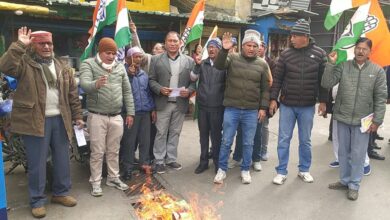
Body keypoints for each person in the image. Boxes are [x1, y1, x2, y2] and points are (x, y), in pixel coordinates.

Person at [0, 27, 83, 218]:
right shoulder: (24, 64)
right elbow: (5, 66)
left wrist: (78, 116)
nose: (46, 47)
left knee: (63, 159)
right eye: (41, 43)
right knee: (37, 163)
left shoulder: (62, 65)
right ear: (33, 45)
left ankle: (61, 193)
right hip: (34, 121)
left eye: (49, 43)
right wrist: (20, 44)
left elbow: (72, 94)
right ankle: (37, 200)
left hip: (60, 119)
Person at [322, 37, 387, 200]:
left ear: (369, 52)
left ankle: (354, 185)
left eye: (364, 49)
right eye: (358, 48)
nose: (360, 51)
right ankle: (344, 180)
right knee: (342, 152)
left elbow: (380, 97)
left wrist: (377, 121)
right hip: (342, 116)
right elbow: (326, 82)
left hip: (363, 121)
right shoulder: (343, 66)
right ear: (354, 49)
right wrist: (330, 64)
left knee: (358, 154)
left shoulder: (377, 71)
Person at [269, 19, 328, 185]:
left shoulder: (319, 54)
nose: (292, 39)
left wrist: (323, 102)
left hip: (308, 106)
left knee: (305, 140)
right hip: (287, 105)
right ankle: (281, 171)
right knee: (283, 139)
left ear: (306, 36)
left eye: (295, 36)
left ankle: (304, 170)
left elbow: (323, 81)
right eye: (291, 35)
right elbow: (278, 79)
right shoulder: (286, 54)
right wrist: (273, 99)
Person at [213, 30, 270, 185]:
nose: (251, 48)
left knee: (248, 142)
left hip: (251, 110)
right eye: (248, 45)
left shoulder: (262, 64)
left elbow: (266, 89)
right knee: (226, 140)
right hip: (232, 108)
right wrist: (224, 50)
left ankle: (245, 169)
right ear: (242, 45)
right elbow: (218, 66)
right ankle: (222, 169)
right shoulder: (232, 57)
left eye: (254, 46)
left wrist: (263, 108)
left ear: (258, 48)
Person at [80, 37, 135, 197]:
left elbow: (127, 91)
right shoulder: (88, 64)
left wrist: (130, 112)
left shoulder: (119, 67)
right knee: (97, 152)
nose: (111, 56)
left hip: (116, 116)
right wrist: (95, 85)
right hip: (97, 116)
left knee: (114, 150)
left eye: (114, 53)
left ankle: (113, 178)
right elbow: (84, 84)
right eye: (108, 53)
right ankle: (96, 183)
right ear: (100, 51)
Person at [149, 31, 196, 174]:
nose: (173, 43)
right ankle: (159, 160)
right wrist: (159, 89)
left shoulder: (189, 61)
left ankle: (171, 159)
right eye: (170, 41)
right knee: (161, 132)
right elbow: (151, 80)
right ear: (165, 43)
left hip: (180, 103)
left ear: (180, 43)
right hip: (163, 102)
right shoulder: (156, 60)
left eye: (175, 41)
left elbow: (194, 82)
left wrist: (188, 90)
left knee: (175, 132)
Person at [230, 41, 275, 170]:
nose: (256, 48)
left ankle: (256, 158)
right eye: (252, 45)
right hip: (240, 104)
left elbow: (269, 84)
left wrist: (264, 106)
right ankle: (237, 157)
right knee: (240, 133)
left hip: (257, 104)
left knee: (257, 134)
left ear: (263, 49)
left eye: (259, 46)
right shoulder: (240, 60)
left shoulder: (264, 63)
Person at [190, 38, 226, 174]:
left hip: (217, 106)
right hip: (203, 106)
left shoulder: (224, 65)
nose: (211, 49)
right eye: (209, 47)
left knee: (216, 137)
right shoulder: (202, 63)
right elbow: (193, 78)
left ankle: (218, 162)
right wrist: (197, 65)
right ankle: (203, 162)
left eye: (214, 47)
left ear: (219, 49)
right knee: (203, 135)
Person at [120, 46, 156, 180]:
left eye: (140, 56)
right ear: (128, 58)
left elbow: (148, 93)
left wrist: (152, 109)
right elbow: (122, 90)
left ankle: (144, 163)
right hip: (130, 113)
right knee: (129, 142)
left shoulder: (144, 74)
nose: (138, 59)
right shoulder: (122, 72)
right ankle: (128, 168)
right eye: (135, 56)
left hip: (145, 112)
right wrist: (129, 75)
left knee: (145, 140)